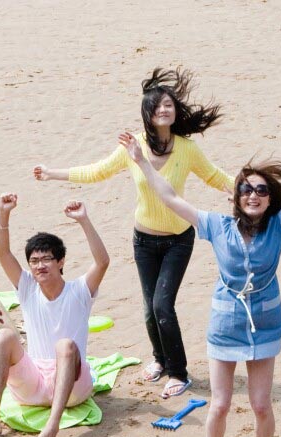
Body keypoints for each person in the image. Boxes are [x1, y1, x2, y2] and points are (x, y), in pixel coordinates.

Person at [126, 108, 281, 437]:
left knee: (260, 404)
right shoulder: (216, 226)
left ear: (268, 198)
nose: (252, 195)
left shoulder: (279, 226)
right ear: (235, 197)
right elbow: (171, 197)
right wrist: (142, 162)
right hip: (225, 324)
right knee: (220, 404)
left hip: (266, 323)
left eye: (260, 190)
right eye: (245, 189)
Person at [32, 68, 234, 399]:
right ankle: (160, 360)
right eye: (157, 107)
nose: (164, 111)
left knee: (163, 305)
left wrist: (243, 190)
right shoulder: (133, 147)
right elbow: (98, 171)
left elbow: (213, 176)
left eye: (168, 105)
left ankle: (179, 372)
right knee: (148, 308)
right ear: (147, 114)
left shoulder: (186, 148)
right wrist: (54, 173)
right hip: (144, 240)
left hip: (178, 240)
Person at [0, 195, 111, 437]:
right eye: (34, 261)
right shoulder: (28, 288)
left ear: (61, 261)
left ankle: (51, 429)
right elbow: (2, 253)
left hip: (72, 385)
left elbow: (102, 262)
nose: (40, 266)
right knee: (5, 336)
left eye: (46, 259)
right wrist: (4, 213)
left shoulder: (79, 290)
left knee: (65, 346)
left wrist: (83, 220)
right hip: (33, 384)